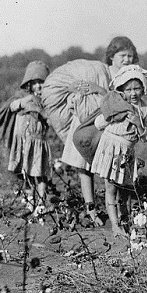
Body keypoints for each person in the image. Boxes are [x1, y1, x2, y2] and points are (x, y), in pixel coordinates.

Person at [41, 36, 138, 226]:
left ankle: (117, 211)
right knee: (83, 166)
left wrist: (99, 90)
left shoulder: (128, 78)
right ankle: (91, 209)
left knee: (110, 167)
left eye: (130, 56)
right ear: (111, 56)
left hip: (109, 126)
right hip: (86, 121)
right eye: (122, 55)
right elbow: (78, 87)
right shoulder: (101, 71)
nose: (126, 59)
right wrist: (86, 90)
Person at [91, 65, 147, 237]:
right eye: (129, 89)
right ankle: (115, 226)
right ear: (122, 90)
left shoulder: (146, 110)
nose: (133, 93)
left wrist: (138, 123)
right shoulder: (117, 105)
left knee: (125, 188)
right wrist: (112, 116)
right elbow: (98, 124)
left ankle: (124, 219)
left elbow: (146, 137)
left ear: (144, 88)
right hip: (111, 147)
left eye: (137, 88)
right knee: (110, 187)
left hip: (127, 151)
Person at [7, 61, 52, 216]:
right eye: (35, 83)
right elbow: (12, 107)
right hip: (23, 142)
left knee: (38, 173)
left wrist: (38, 110)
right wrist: (23, 102)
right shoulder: (23, 98)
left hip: (37, 141)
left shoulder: (47, 101)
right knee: (25, 173)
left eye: (42, 83)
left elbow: (50, 120)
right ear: (29, 84)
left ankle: (40, 203)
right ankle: (29, 202)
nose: (39, 86)